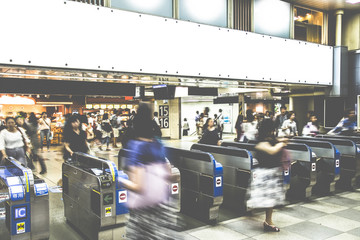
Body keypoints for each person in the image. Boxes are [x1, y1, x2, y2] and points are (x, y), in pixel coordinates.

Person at [119, 103, 177, 239]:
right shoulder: (158, 144)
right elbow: (170, 176)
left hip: (143, 209)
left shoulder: (136, 147)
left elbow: (139, 187)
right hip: (160, 204)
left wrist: (120, 180)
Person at [246, 119, 288, 232]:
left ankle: (268, 221)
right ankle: (253, 210)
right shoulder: (260, 143)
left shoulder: (270, 139)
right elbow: (272, 151)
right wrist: (281, 144)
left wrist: (281, 141)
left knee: (270, 200)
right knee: (263, 198)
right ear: (268, 130)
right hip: (264, 175)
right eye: (272, 129)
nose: (273, 132)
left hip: (273, 174)